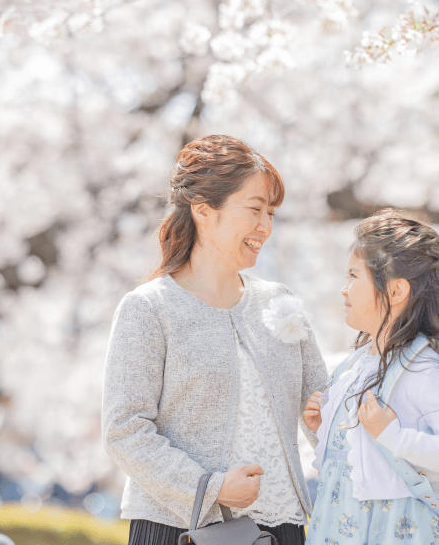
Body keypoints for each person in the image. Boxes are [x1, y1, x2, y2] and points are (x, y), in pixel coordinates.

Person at [102, 134, 328, 545]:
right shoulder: (150, 308)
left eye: (272, 213)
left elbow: (326, 413)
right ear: (205, 211)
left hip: (281, 529)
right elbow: (124, 430)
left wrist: (328, 426)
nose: (266, 227)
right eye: (255, 210)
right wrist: (211, 487)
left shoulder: (281, 304)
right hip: (178, 529)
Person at [302, 209, 439, 544]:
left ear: (396, 292)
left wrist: (395, 436)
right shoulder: (352, 367)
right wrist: (322, 430)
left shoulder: (422, 367)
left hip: (397, 532)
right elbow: (350, 465)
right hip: (341, 527)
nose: (344, 290)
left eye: (354, 276)